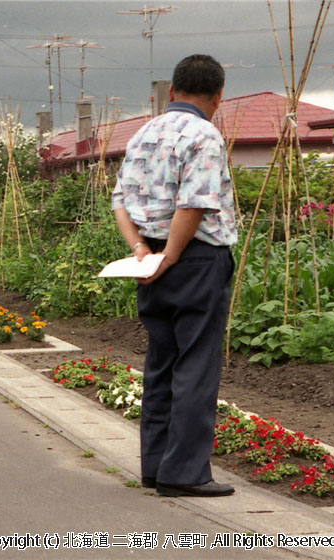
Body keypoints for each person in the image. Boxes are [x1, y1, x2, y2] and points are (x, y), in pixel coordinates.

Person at [111, 54, 238, 497]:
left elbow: (120, 201)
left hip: (149, 258)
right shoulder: (204, 134)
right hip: (196, 259)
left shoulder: (142, 133)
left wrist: (143, 251)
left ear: (171, 91)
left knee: (161, 363)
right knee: (196, 366)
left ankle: (155, 466)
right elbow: (195, 204)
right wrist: (172, 256)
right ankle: (184, 473)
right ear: (217, 96)